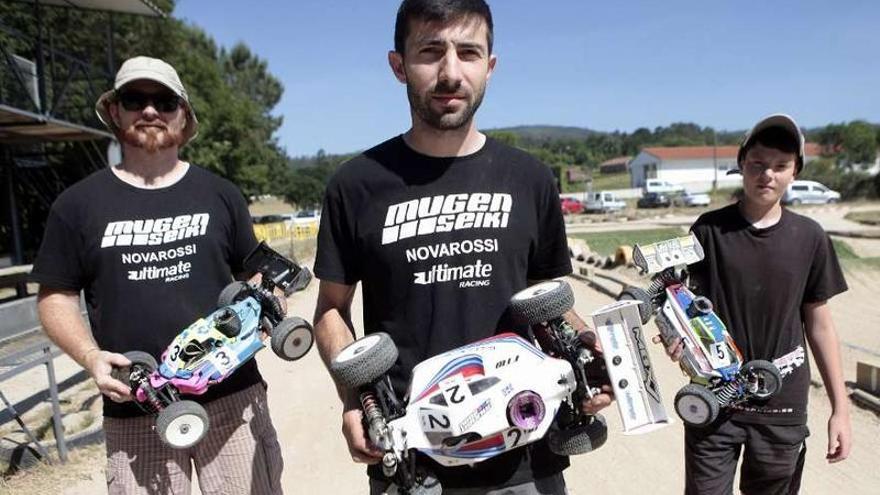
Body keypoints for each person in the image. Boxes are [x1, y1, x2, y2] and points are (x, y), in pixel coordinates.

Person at [313, 1, 612, 493]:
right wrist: (355, 398)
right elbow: (330, 310)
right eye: (431, 51)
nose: (451, 72)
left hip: (527, 450)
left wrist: (588, 355)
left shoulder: (530, 178)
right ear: (399, 65)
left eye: (468, 52)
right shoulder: (356, 184)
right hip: (412, 458)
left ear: (489, 67)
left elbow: (547, 296)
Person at [32, 56, 284, 494]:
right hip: (136, 407)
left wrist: (267, 305)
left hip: (232, 397)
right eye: (135, 99)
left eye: (165, 101)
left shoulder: (220, 194)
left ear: (184, 116)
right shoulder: (76, 206)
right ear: (115, 112)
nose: (150, 111)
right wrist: (91, 358)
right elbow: (55, 296)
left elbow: (255, 275)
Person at [662, 114, 852, 494]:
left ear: (795, 172)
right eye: (758, 164)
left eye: (780, 166)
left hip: (781, 406)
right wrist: (674, 337)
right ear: (741, 165)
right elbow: (679, 304)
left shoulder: (810, 237)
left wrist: (841, 410)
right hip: (716, 400)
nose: (768, 174)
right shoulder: (708, 231)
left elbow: (820, 325)